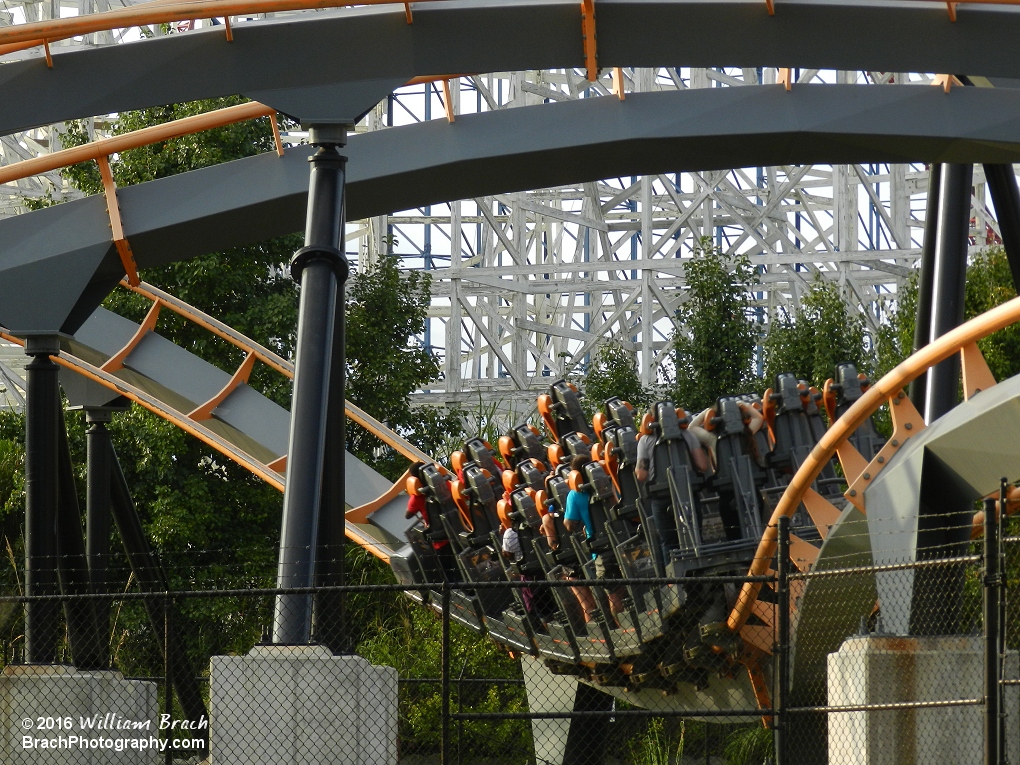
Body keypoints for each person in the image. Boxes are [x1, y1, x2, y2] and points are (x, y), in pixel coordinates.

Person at [635, 408, 709, 561]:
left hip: (661, 498)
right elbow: (702, 466)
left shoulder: (645, 440)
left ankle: (673, 579)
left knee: (668, 541)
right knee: (696, 535)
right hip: (688, 493)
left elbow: (641, 475)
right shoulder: (688, 435)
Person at [563, 455, 625, 621]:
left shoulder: (574, 495)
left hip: (602, 549)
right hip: (625, 538)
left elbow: (569, 524)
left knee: (613, 592)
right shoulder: (608, 481)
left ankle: (624, 630)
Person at [405, 462, 458, 579]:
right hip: (458, 531)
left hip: (441, 540)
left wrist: (412, 491)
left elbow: (407, 515)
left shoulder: (417, 498)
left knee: (448, 573)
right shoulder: (446, 484)